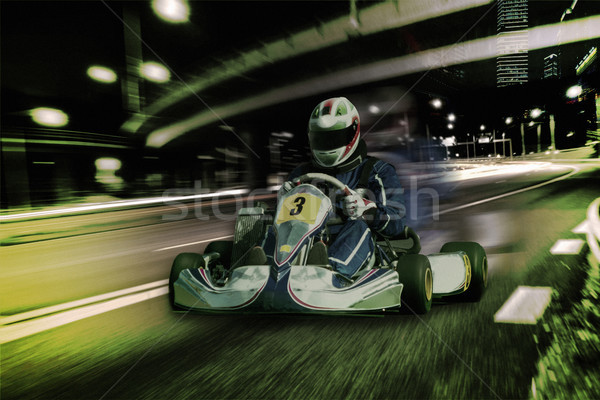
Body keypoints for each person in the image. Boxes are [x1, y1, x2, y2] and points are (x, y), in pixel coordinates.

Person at [268, 97, 407, 279]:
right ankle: (263, 269)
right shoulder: (301, 174)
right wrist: (282, 202)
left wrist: (368, 210)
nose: (328, 145)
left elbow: (397, 222)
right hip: (307, 242)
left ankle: (330, 273)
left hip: (357, 244)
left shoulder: (377, 171)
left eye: (334, 138)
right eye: (322, 138)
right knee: (263, 221)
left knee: (358, 224)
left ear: (352, 133)